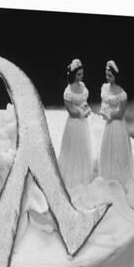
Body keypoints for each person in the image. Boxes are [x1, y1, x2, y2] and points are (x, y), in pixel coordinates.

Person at [58, 59, 94, 190]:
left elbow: (84, 102)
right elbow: (71, 110)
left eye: (81, 74)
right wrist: (81, 112)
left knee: (83, 147)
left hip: (83, 123)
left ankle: (83, 175)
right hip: (74, 124)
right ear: (73, 75)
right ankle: (72, 177)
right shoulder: (68, 92)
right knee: (74, 149)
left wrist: (87, 108)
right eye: (78, 74)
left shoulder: (83, 87)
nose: (81, 76)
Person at [98, 60, 133, 188]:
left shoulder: (122, 94)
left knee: (118, 151)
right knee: (108, 150)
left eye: (110, 75)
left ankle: (120, 180)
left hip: (117, 124)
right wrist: (104, 111)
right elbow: (104, 103)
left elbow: (120, 113)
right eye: (106, 75)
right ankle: (108, 177)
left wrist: (109, 114)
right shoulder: (105, 87)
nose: (107, 77)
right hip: (109, 124)